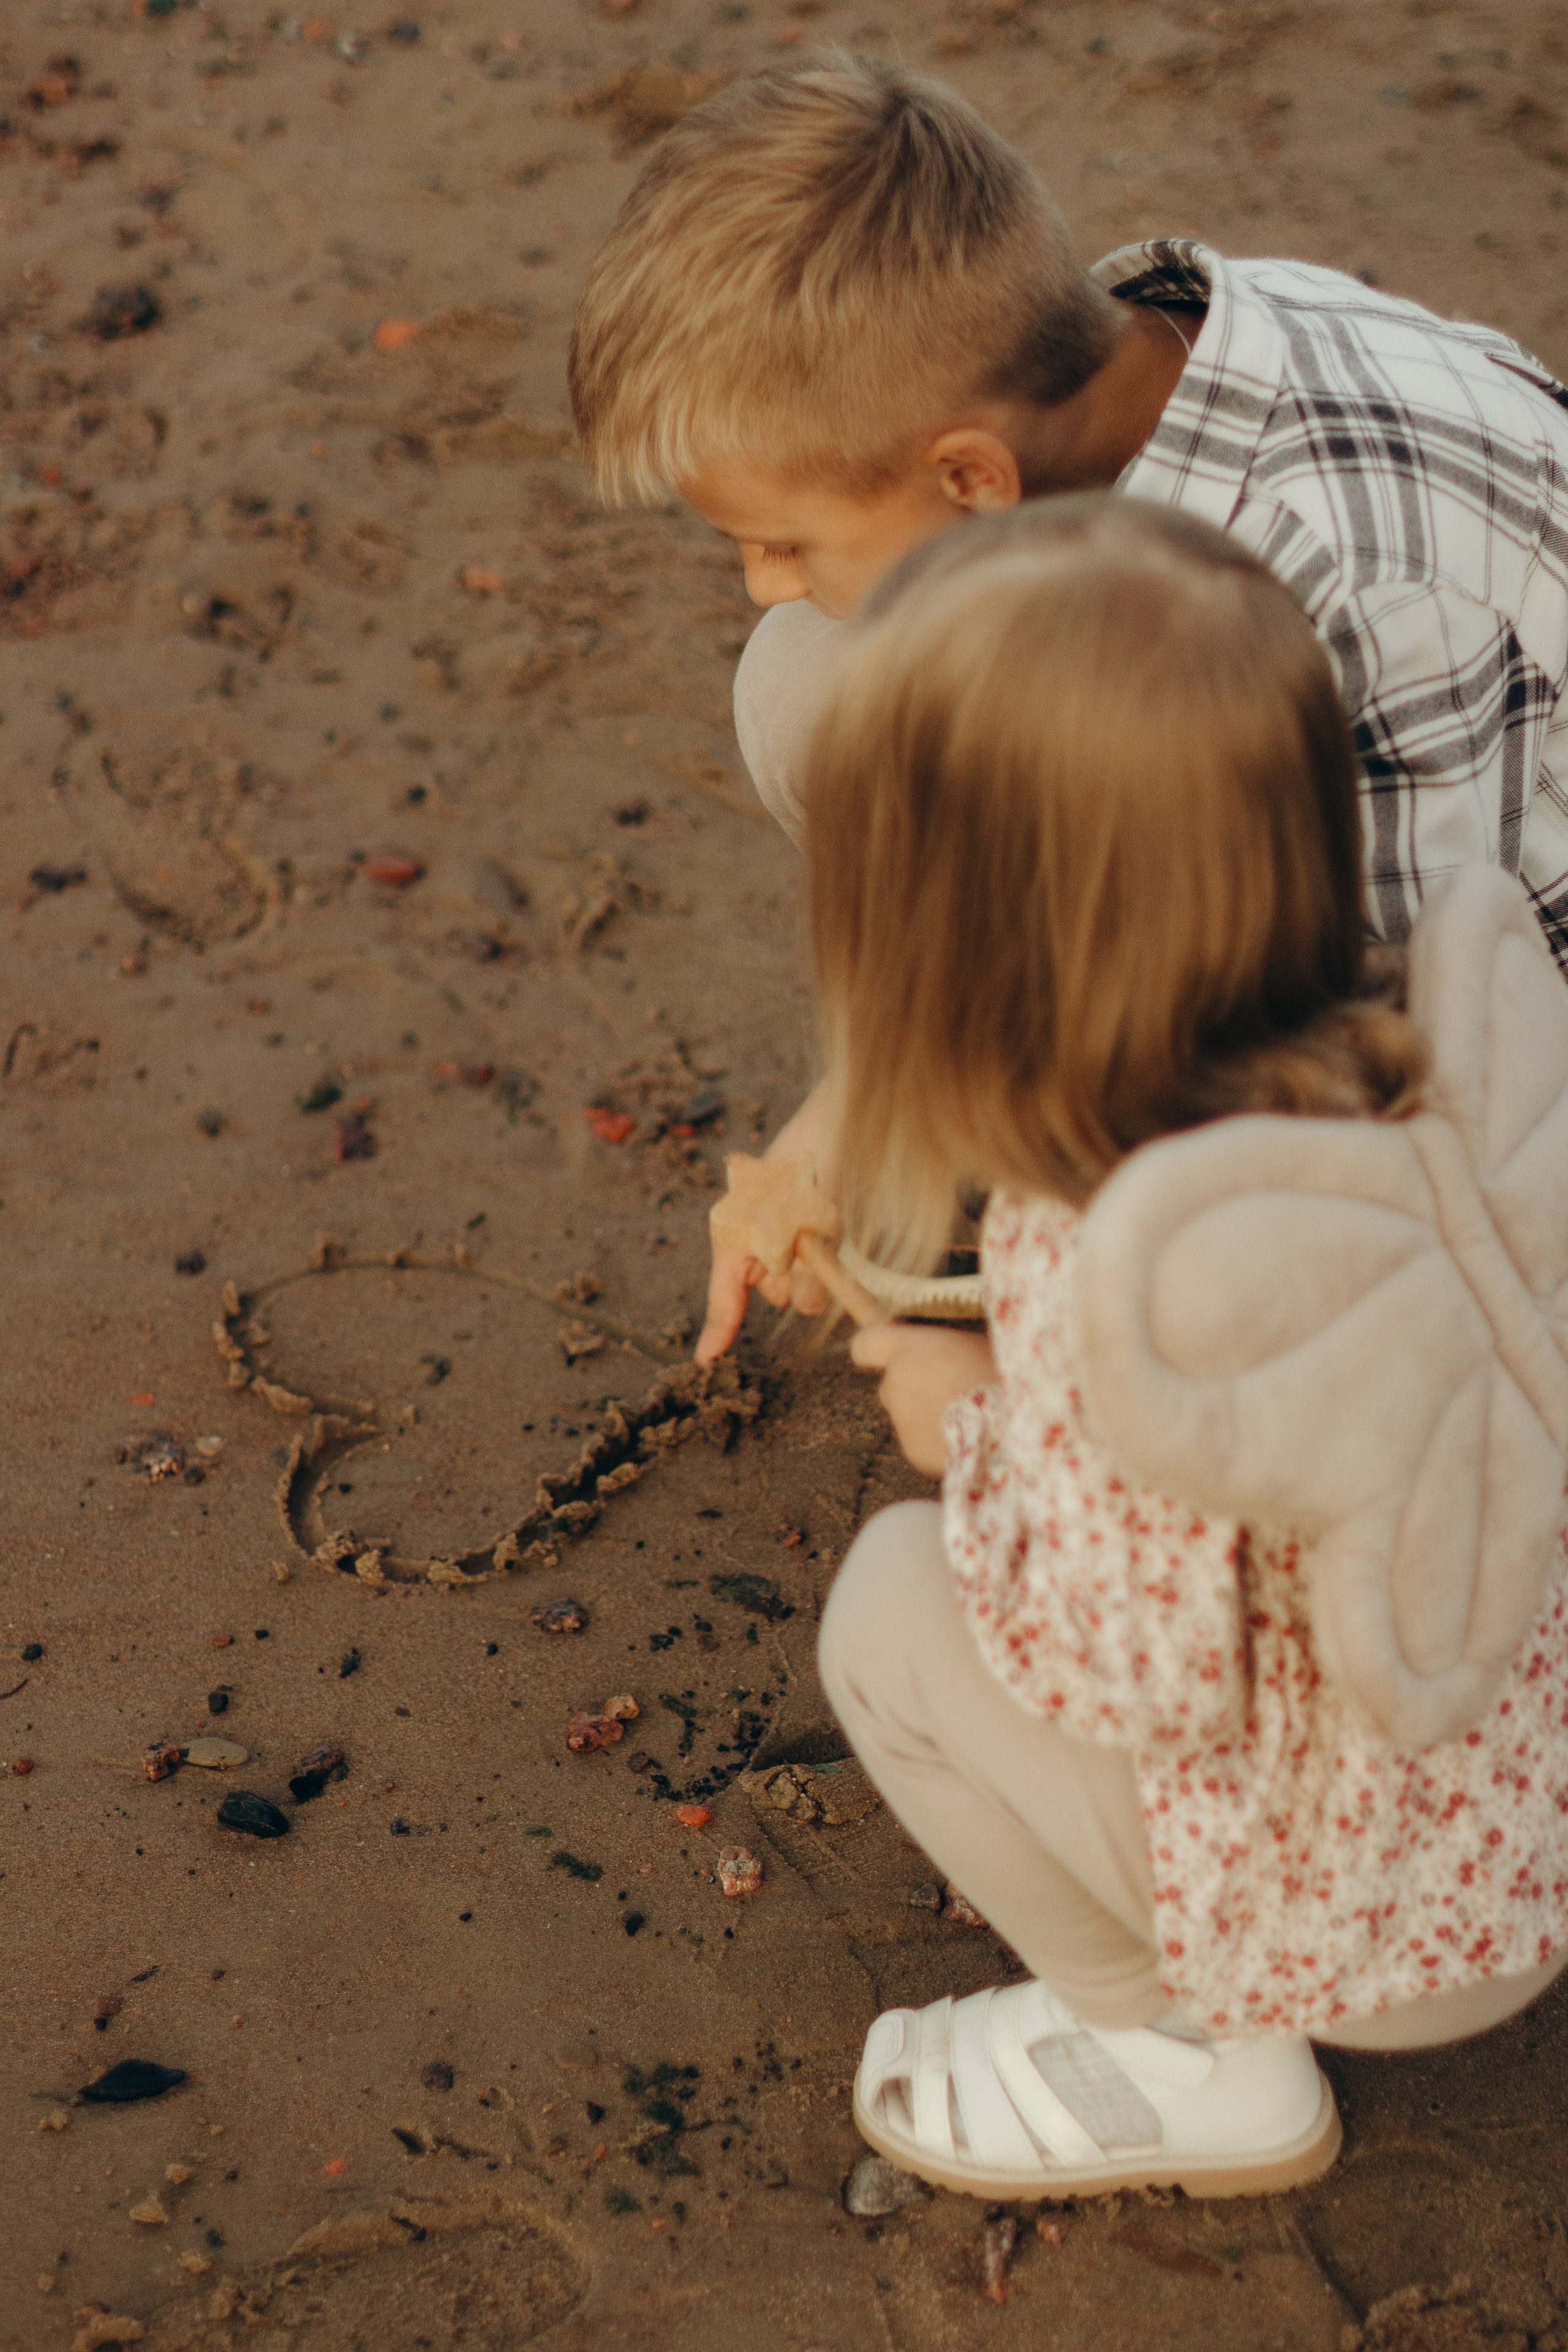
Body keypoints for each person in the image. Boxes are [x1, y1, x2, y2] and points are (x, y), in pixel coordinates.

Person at [566, 51, 1568, 1363]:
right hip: (1308, 854)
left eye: (785, 540)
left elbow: (1433, 1028)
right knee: (814, 683)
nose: (761, 581)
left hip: (1491, 982)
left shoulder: (1351, 597)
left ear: (970, 481)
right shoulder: (1129, 361)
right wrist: (857, 1102)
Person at [801, 496, 1568, 2197]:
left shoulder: (1120, 1274)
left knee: (886, 1615)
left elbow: (1118, 1668)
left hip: (1388, 1938)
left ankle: (1184, 2055)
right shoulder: (1424, 1057)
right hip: (1518, 1803)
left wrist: (970, 1425)